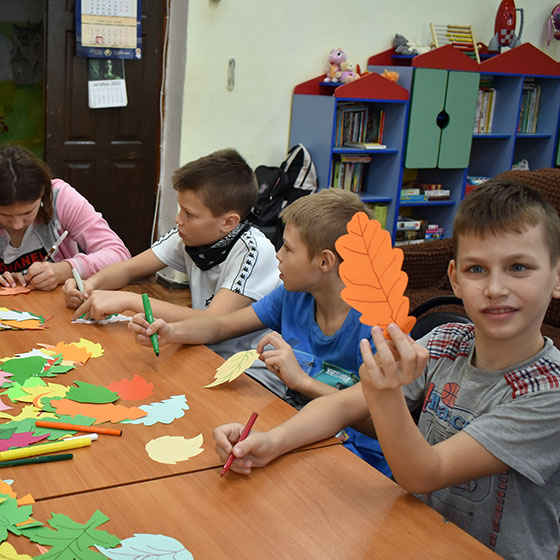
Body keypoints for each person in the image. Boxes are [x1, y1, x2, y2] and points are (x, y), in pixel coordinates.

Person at [213, 180, 560, 560]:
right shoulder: (446, 341)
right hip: (417, 535)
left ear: (556, 276)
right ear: (456, 279)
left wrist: (383, 393)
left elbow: (424, 473)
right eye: (476, 269)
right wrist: (271, 442)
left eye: (518, 268)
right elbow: (341, 406)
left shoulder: (549, 393)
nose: (495, 288)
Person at [129, 188, 387, 473]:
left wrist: (302, 382)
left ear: (325, 261)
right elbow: (222, 325)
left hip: (358, 461)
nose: (278, 255)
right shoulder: (294, 295)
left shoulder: (377, 329)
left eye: (288, 248)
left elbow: (382, 424)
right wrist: (172, 332)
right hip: (298, 434)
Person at [64, 148, 279, 360]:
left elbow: (213, 322)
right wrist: (89, 285)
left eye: (189, 214)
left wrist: (129, 300)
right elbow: (128, 269)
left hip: (249, 364)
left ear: (228, 222)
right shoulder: (185, 235)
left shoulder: (254, 251)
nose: (178, 219)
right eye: (180, 209)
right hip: (200, 347)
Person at [0, 145, 130, 290]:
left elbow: (119, 255)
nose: (17, 225)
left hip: (63, 305)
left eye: (27, 212)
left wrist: (64, 270)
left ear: (43, 194)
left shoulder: (61, 198)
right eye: (4, 215)